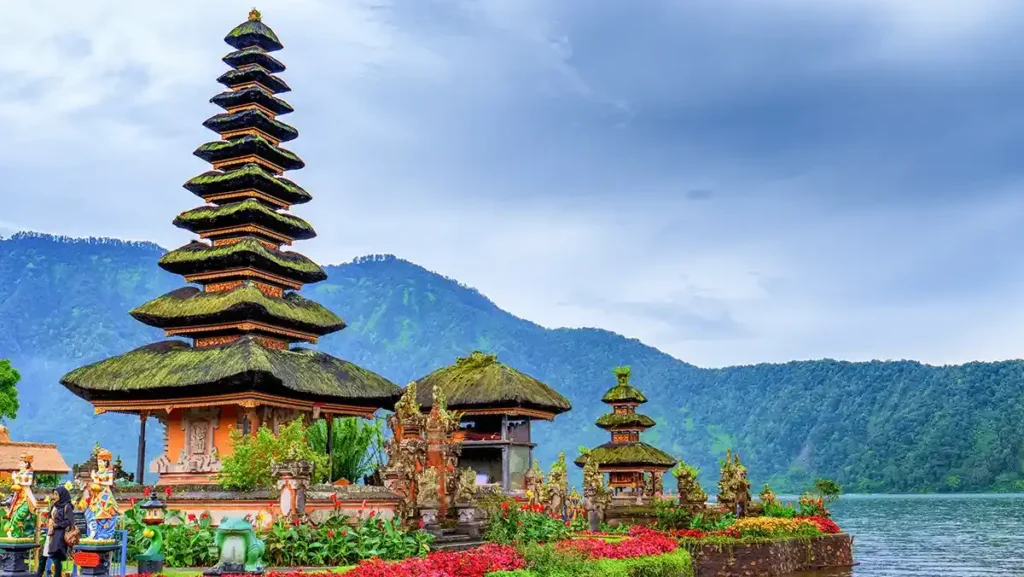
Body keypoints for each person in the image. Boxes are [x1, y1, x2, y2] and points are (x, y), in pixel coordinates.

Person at [38, 487, 74, 577]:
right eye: (54, 494)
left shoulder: (67, 506)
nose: (54, 496)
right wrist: (50, 520)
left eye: (56, 494)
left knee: (56, 558)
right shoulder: (55, 505)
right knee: (43, 557)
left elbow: (69, 521)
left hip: (59, 535)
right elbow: (50, 515)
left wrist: (56, 525)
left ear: (62, 495)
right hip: (50, 534)